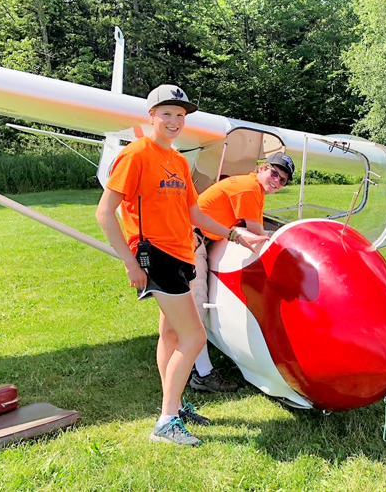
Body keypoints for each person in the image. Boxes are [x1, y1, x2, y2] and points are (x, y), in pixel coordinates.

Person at [95, 85, 267, 445]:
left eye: (181, 115)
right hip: (154, 256)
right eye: (167, 113)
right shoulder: (137, 155)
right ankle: (166, 421)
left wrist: (237, 236)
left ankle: (173, 406)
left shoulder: (176, 161)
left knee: (172, 335)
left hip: (182, 254)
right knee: (194, 336)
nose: (175, 121)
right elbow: (104, 213)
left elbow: (195, 213)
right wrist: (130, 263)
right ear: (152, 115)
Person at [188, 152, 295, 392]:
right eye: (274, 173)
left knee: (193, 308)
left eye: (283, 180)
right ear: (263, 168)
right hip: (189, 240)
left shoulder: (253, 188)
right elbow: (257, 234)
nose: (276, 181)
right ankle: (201, 373)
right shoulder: (249, 189)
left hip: (201, 236)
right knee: (197, 307)